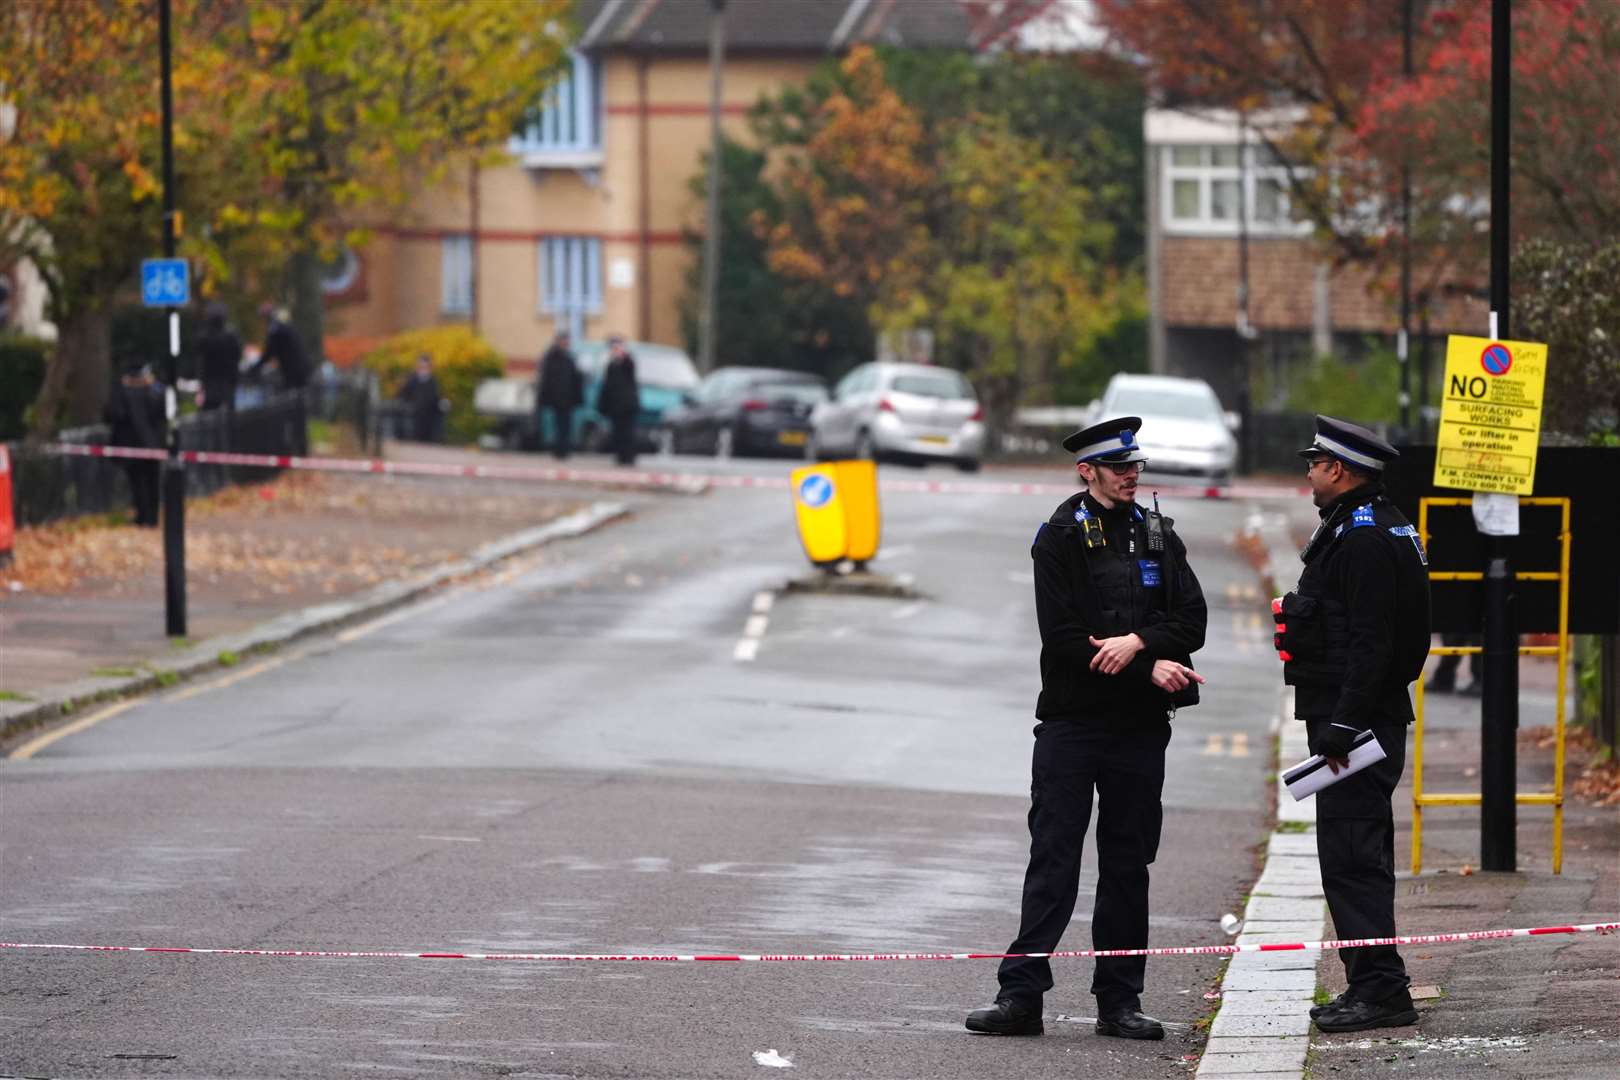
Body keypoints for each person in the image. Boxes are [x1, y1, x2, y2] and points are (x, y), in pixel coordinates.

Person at [966, 416, 1208, 1042]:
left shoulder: (1159, 533)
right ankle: (1021, 996)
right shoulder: (1059, 537)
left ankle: (1119, 1002)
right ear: (1087, 471)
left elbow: (1193, 621)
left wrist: (1140, 645)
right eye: (1119, 467)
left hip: (1139, 730)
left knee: (1128, 865)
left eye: (1136, 466)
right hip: (1073, 726)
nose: (1132, 476)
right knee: (1054, 860)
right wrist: (1148, 665)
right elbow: (1067, 639)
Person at [1276, 415, 1430, 1034]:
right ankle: (1371, 983)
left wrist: (1343, 723)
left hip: (1356, 729)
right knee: (1356, 854)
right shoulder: (1378, 524)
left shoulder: (1362, 537)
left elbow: (1374, 640)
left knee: (1352, 859)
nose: (1309, 475)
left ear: (1338, 469)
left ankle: (1382, 991)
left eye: (1314, 465)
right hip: (1364, 719)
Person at [102, 358, 167, 527]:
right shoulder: (154, 390)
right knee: (152, 481)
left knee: (138, 482)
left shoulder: (122, 391)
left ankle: (143, 516)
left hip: (131, 445)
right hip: (152, 444)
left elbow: (111, 414)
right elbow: (163, 412)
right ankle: (152, 517)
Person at [536, 331, 583, 459]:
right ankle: (559, 450)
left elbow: (575, 379)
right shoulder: (552, 357)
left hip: (567, 400)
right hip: (557, 399)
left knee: (566, 426)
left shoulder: (568, 358)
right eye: (565, 340)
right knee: (558, 426)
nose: (567, 343)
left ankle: (564, 450)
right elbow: (547, 379)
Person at [596, 335, 640, 466]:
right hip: (615, 406)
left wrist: (624, 356)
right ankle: (620, 456)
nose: (616, 350)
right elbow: (607, 387)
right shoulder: (611, 365)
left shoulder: (628, 362)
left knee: (628, 432)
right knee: (617, 432)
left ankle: (629, 457)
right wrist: (603, 405)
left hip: (627, 405)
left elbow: (630, 371)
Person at [250, 303, 310, 391]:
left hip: (292, 369)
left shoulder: (276, 330)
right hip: (301, 366)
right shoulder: (286, 326)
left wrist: (256, 367)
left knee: (291, 394)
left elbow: (270, 351)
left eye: (264, 317)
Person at [196, 302, 243, 414]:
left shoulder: (205, 337)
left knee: (211, 411)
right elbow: (237, 354)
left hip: (213, 382)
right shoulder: (231, 335)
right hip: (226, 381)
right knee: (228, 411)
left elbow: (200, 360)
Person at [395, 353, 446, 443]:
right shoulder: (411, 379)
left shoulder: (433, 381)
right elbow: (402, 394)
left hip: (429, 412)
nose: (424, 369)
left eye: (426, 367)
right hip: (413, 411)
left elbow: (436, 397)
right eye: (422, 367)